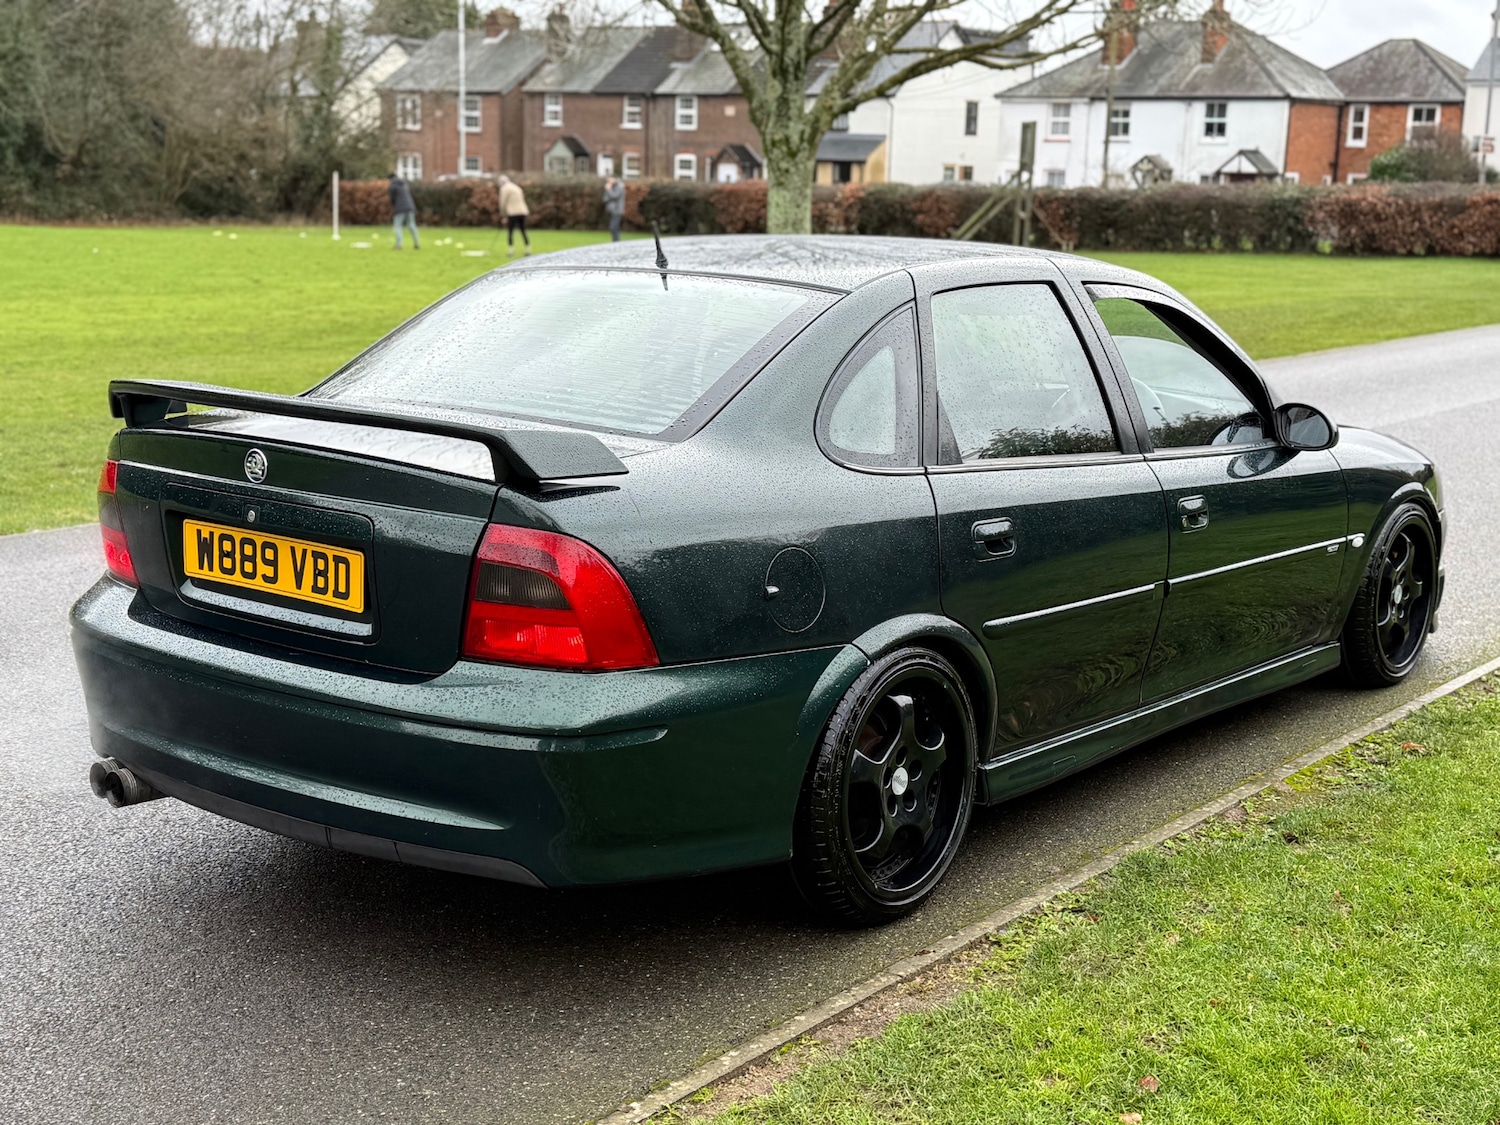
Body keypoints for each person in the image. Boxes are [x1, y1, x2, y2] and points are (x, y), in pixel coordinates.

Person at [497, 174, 530, 257]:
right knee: (523, 230)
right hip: (522, 211)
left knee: (510, 231)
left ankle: (510, 251)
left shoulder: (504, 189)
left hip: (512, 212)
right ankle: (528, 249)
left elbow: (503, 202)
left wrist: (503, 215)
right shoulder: (516, 187)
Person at [388, 172, 419, 250]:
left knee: (397, 226)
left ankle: (399, 245)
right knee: (412, 225)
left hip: (400, 208)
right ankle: (416, 243)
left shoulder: (393, 186)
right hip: (410, 207)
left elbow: (393, 199)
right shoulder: (404, 184)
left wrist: (394, 207)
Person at [602, 175, 625, 242]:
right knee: (614, 227)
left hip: (617, 210)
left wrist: (608, 189)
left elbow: (615, 196)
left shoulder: (619, 186)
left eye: (609, 180)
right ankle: (615, 241)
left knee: (613, 227)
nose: (608, 182)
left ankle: (617, 242)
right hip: (612, 210)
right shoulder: (613, 187)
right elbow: (605, 198)